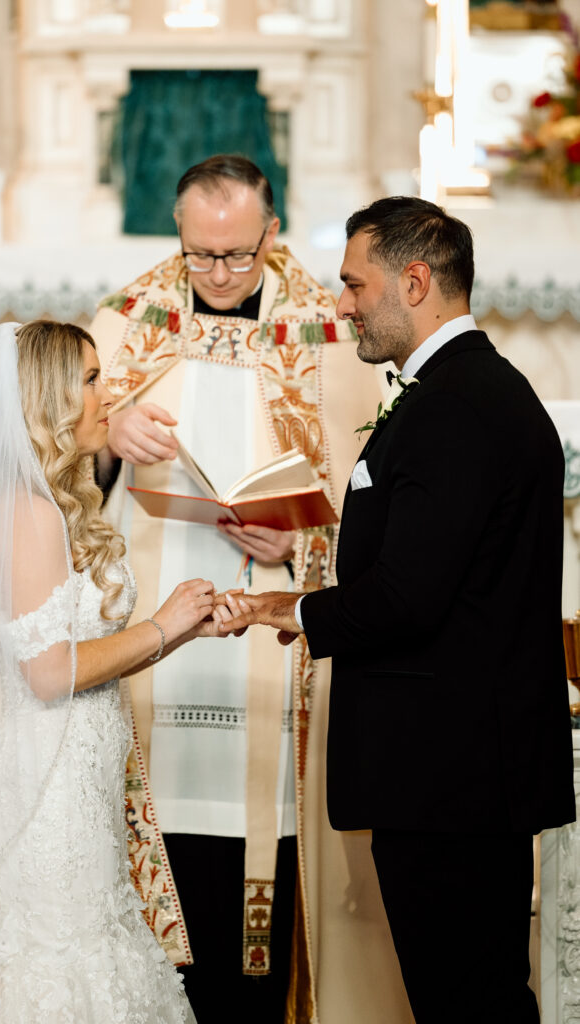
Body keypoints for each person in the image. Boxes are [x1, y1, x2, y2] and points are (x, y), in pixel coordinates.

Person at [218, 195, 577, 1023]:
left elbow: (410, 596)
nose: (340, 305)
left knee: (465, 996)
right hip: (463, 764)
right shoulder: (466, 390)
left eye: (352, 285)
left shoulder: (451, 405)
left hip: (447, 769)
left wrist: (294, 611)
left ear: (413, 282)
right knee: (473, 989)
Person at [89, 156, 411, 1022]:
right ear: (179, 236)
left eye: (238, 254)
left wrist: (303, 536)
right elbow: (58, 458)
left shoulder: (327, 330)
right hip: (154, 634)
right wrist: (107, 430)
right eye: (201, 256)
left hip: (272, 637)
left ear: (271, 233)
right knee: (160, 811)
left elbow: (374, 496)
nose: (221, 275)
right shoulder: (128, 323)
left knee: (263, 828)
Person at [0, 319, 230, 1023]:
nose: (106, 394)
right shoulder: (24, 513)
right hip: (48, 794)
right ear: (48, 398)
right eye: (90, 379)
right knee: (57, 969)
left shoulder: (47, 506)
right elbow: (50, 674)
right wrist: (161, 624)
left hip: (77, 785)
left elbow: (73, 656)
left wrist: (178, 634)